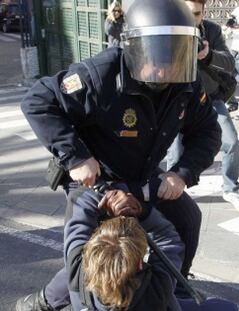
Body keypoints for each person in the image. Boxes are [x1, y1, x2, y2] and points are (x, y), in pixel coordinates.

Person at [15, 0, 222, 309]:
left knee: (187, 218)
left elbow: (208, 131)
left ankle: (172, 284)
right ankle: (47, 301)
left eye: (175, 51)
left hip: (142, 176)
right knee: (94, 250)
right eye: (157, 51)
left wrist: (182, 173)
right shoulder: (100, 75)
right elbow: (38, 101)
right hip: (96, 180)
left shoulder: (187, 83)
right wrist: (76, 157)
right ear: (134, 46)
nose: (165, 65)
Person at [65, 186, 238, 311]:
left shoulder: (77, 274)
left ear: (89, 254)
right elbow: (168, 238)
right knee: (227, 307)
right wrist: (141, 210)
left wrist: (95, 193)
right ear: (139, 264)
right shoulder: (158, 286)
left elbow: (77, 211)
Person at [166, 0, 239, 214]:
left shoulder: (211, 30)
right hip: (177, 99)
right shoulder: (167, 28)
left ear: (203, 13)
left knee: (231, 142)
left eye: (196, 14)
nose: (191, 18)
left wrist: (208, 54)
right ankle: (171, 196)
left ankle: (231, 189)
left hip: (209, 98)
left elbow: (229, 63)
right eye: (187, 13)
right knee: (176, 152)